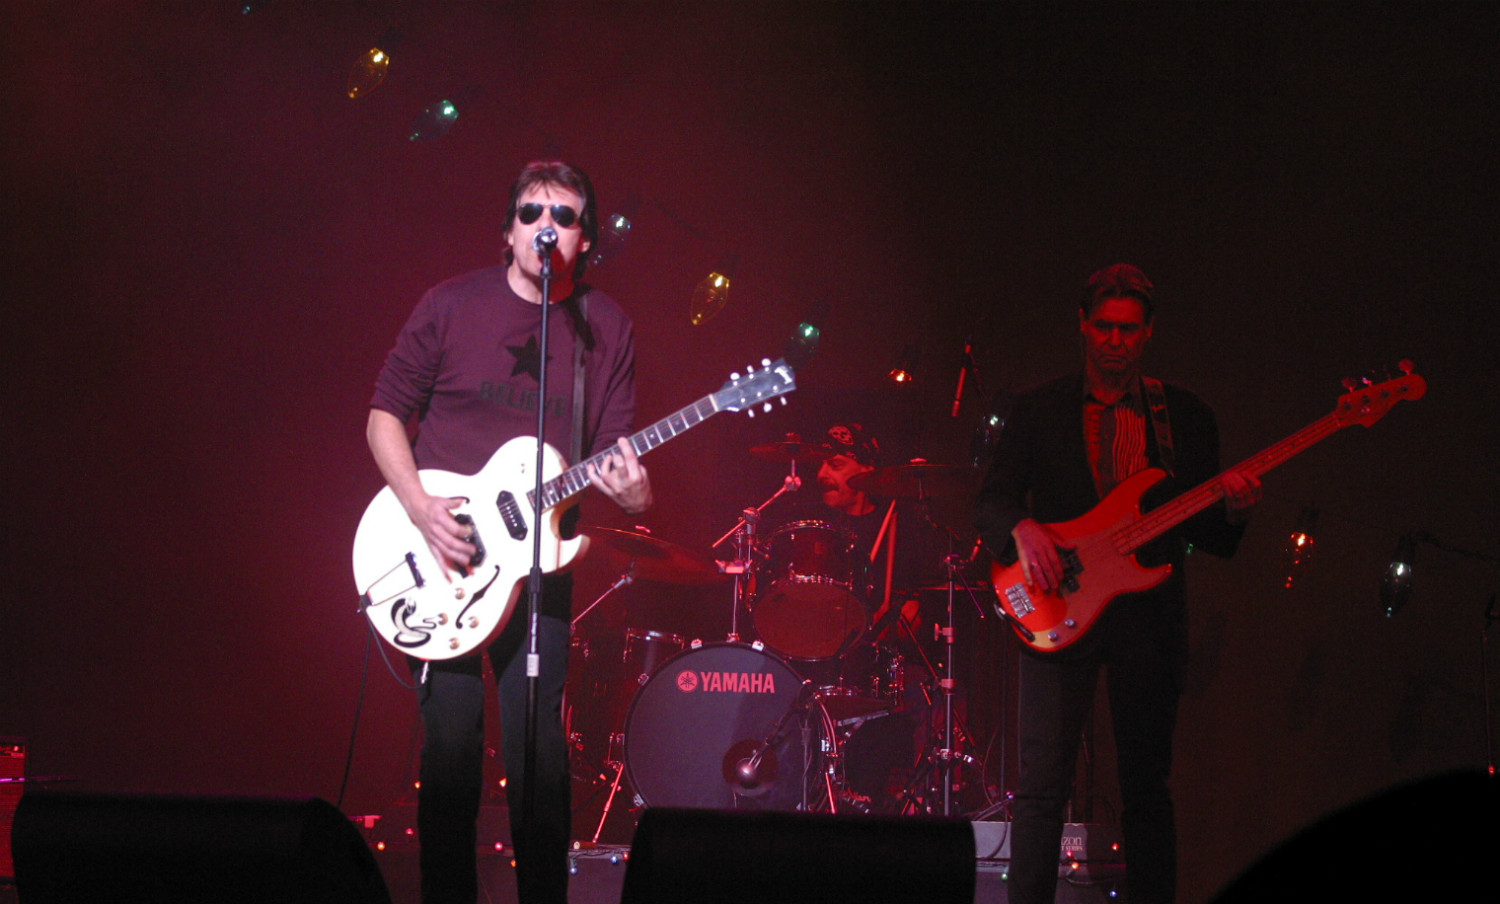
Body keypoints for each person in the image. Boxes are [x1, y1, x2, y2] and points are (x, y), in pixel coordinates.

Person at [366, 160, 651, 904]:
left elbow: (615, 456)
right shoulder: (450, 305)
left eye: (564, 213)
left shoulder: (606, 327)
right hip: (446, 557)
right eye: (531, 212)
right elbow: (383, 416)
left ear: (585, 239)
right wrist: (422, 509)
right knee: (453, 751)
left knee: (539, 757)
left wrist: (636, 491)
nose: (544, 225)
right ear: (508, 231)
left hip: (539, 571)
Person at [974, 264, 1260, 904]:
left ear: (1148, 332)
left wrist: (1236, 509)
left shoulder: (1183, 416)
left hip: (1149, 618)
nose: (1114, 340)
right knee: (1042, 787)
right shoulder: (1039, 407)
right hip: (1057, 603)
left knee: (1147, 790)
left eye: (1128, 329)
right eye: (1103, 326)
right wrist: (1024, 528)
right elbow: (990, 501)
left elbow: (1209, 535)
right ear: (1082, 325)